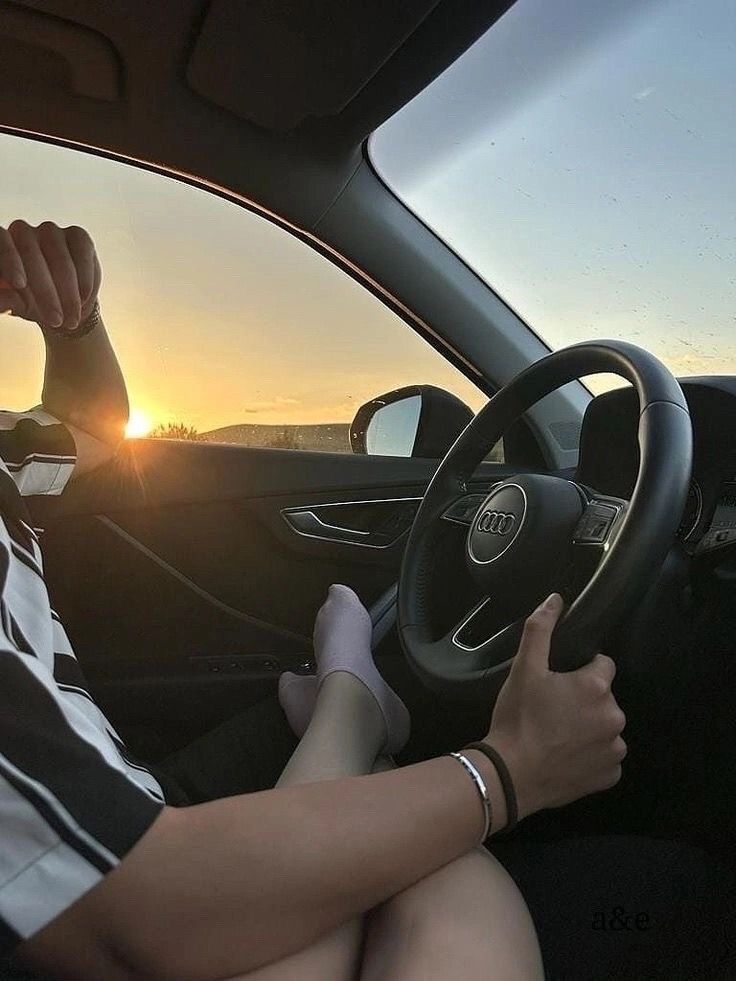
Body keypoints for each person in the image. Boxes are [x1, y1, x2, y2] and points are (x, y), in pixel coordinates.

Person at [0, 220, 628, 980]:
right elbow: (149, 914)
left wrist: (76, 320)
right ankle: (350, 704)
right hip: (136, 892)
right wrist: (512, 769)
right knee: (434, 863)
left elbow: (95, 428)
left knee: (416, 854)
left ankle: (350, 704)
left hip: (114, 796)